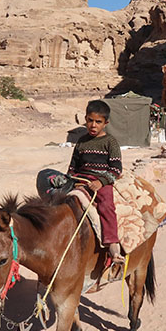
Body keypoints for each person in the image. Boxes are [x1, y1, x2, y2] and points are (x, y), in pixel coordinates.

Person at [67, 100, 124, 266]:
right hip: (80, 179)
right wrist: (71, 179)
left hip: (100, 180)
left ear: (106, 123)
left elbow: (116, 169)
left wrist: (101, 182)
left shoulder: (110, 142)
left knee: (106, 205)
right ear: (85, 119)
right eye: (90, 120)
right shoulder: (82, 141)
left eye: (98, 122)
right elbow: (73, 166)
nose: (93, 125)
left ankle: (113, 244)